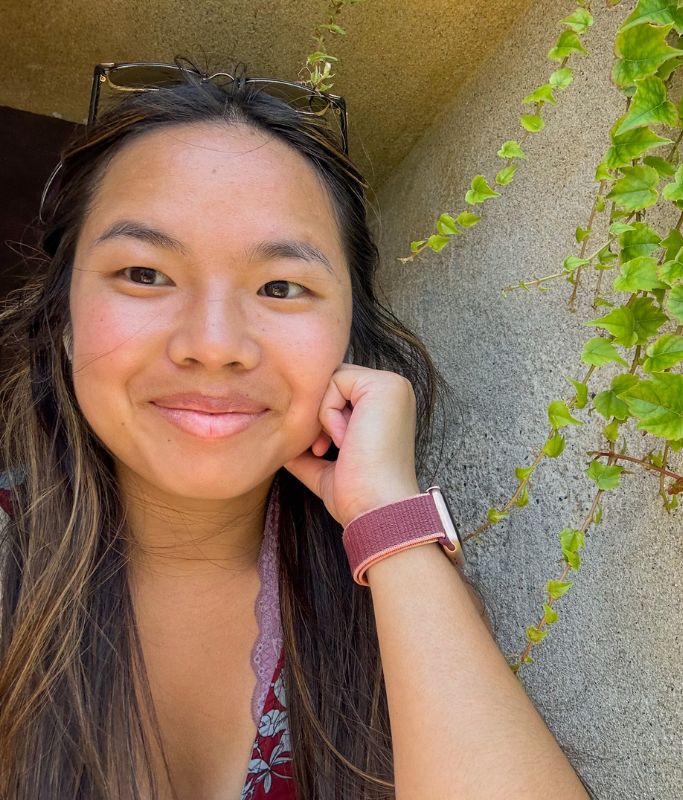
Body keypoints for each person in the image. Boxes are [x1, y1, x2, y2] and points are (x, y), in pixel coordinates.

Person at [0, 58, 593, 800]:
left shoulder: (387, 599)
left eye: (281, 286)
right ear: (61, 320)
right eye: (144, 273)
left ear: (348, 339)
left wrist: (387, 520)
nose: (213, 343)